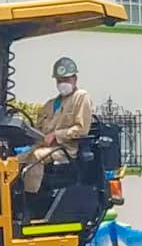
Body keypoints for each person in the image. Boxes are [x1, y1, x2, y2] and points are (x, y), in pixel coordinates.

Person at [20, 56, 94, 195]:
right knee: (15, 160)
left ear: (75, 79)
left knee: (37, 157)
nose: (63, 83)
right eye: (60, 80)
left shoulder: (80, 97)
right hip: (45, 146)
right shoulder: (50, 104)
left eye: (66, 79)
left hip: (65, 150)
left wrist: (57, 135)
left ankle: (29, 198)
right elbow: (39, 128)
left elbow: (81, 129)